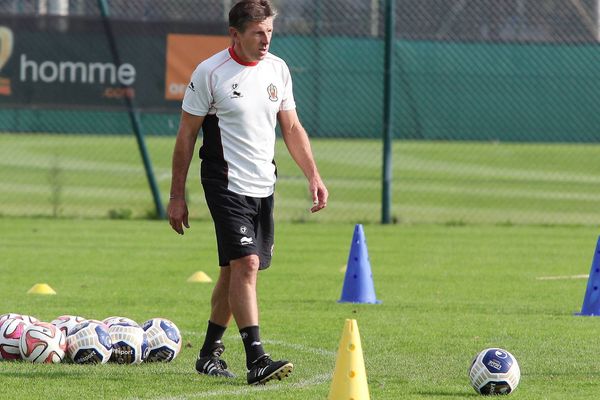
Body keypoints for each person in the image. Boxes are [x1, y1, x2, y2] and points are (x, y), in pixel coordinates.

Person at [167, 0, 328, 386]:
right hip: (224, 181)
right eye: (257, 32)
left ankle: (207, 354)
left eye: (269, 31)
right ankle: (257, 358)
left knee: (232, 270)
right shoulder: (210, 73)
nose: (265, 39)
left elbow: (291, 128)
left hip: (263, 185)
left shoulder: (278, 69)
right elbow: (186, 136)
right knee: (247, 265)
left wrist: (313, 176)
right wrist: (177, 195)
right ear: (234, 34)